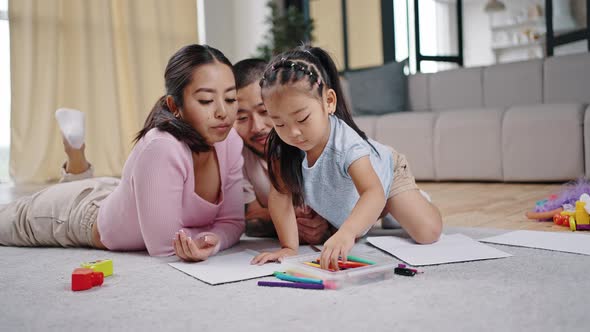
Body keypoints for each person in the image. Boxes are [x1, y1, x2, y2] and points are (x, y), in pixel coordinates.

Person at [0, 44, 245, 262]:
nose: (223, 112)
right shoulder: (162, 147)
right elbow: (163, 246)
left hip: (114, 194)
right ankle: (75, 155)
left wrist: (215, 240)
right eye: (205, 100)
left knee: (107, 192)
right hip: (74, 215)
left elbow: (234, 223)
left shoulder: (230, 140)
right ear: (174, 106)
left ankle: (76, 155)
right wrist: (211, 232)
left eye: (231, 98)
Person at [251, 46, 443, 270]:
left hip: (383, 178)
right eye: (279, 123)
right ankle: (378, 213)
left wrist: (348, 233)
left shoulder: (347, 145)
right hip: (348, 196)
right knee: (350, 220)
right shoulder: (282, 146)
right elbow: (280, 196)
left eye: (302, 119)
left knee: (428, 232)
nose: (293, 132)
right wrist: (289, 247)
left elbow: (373, 191)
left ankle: (403, 202)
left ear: (329, 101)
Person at [232, 58, 331, 244]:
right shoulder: (236, 154)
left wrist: (329, 221)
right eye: (242, 117)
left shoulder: (307, 140)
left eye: (264, 112)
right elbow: (252, 215)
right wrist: (292, 221)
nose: (257, 127)